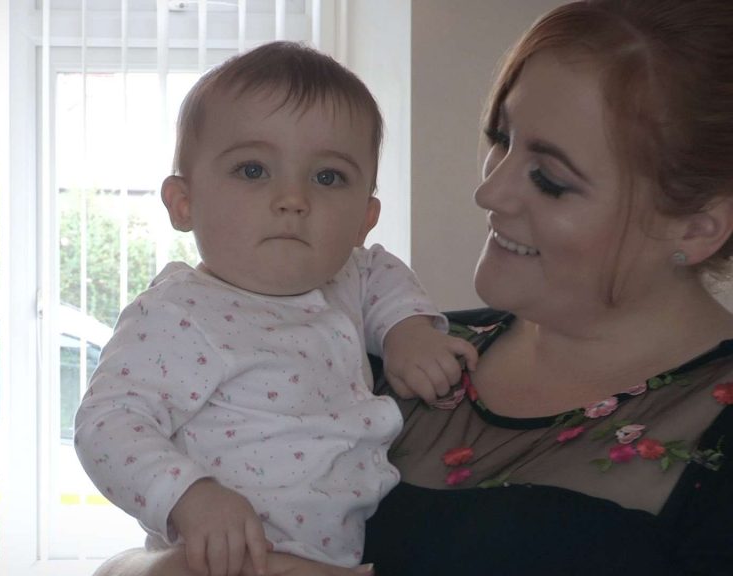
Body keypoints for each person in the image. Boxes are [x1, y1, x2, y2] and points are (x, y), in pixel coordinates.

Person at [87, 1, 733, 575]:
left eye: (551, 178)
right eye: (500, 141)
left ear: (697, 225)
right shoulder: (384, 348)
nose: (488, 191)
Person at [73, 41, 478, 576]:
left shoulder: (352, 277)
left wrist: (409, 331)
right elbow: (107, 424)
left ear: (364, 217)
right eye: (253, 170)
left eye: (327, 177)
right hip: (229, 559)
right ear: (183, 203)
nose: (293, 198)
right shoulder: (179, 312)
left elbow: (383, 273)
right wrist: (190, 497)